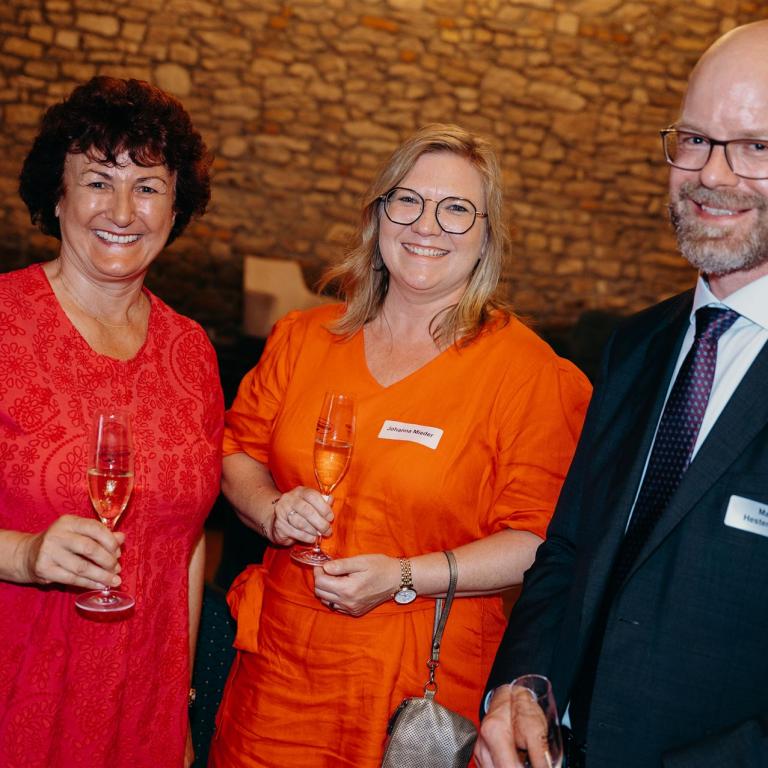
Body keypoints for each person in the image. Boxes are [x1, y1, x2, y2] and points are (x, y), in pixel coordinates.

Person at [208, 123, 591, 767]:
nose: (426, 225)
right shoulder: (305, 338)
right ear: (378, 214)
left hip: (416, 693)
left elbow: (538, 541)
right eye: (408, 200)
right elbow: (236, 450)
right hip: (278, 680)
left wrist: (404, 578)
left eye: (456, 209)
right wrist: (272, 509)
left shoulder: (529, 375)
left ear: (487, 235)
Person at [475, 20, 768, 768]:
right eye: (695, 139)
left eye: (757, 147)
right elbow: (569, 548)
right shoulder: (635, 346)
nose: (714, 173)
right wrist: (522, 684)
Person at [0, 77, 224, 768]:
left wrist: (180, 704)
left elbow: (187, 544)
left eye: (147, 186)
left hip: (142, 710)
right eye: (98, 180)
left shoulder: (193, 351)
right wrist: (22, 555)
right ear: (58, 196)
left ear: (175, 206)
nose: (123, 210)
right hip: (16, 690)